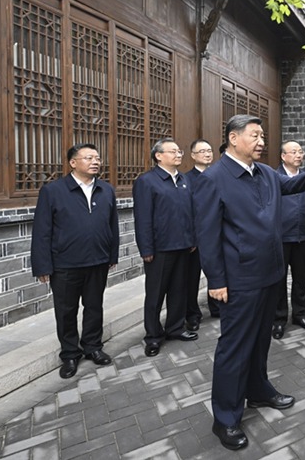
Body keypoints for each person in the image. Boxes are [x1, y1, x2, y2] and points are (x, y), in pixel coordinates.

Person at [194, 114, 305, 451]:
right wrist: (216, 280)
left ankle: (258, 392)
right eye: (255, 136)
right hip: (239, 278)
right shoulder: (214, 178)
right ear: (233, 138)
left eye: (263, 136)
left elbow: (290, 186)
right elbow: (208, 233)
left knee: (260, 341)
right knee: (234, 347)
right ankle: (226, 418)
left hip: (270, 273)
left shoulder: (264, 173)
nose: (262, 142)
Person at [30, 143, 119, 379]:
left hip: (97, 261)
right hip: (65, 264)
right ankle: (70, 354)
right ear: (72, 163)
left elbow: (113, 226)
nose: (95, 161)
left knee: (94, 306)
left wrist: (112, 254)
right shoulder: (54, 191)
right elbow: (42, 230)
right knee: (66, 311)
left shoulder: (106, 189)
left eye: (97, 158)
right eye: (88, 157)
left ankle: (93, 347)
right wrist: (42, 265)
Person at [133, 138, 198, 358]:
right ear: (158, 156)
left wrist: (191, 240)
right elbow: (142, 218)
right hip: (159, 248)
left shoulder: (184, 180)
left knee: (179, 290)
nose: (179, 154)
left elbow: (190, 213)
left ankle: (175, 328)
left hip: (183, 246)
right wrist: (146, 248)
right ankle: (153, 336)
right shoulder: (147, 181)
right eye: (173, 151)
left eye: (179, 151)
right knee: (156, 293)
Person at [272, 140, 305, 339]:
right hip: (281, 238)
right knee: (278, 280)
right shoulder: (274, 177)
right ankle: (279, 319)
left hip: (303, 236)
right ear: (283, 156)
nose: (299, 155)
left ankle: (300, 313)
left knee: (301, 278)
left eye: (300, 151)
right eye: (294, 152)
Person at [186, 138, 220, 324]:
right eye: (202, 151)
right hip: (196, 239)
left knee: (217, 273)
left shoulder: (217, 175)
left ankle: (216, 307)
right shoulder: (186, 179)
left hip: (216, 236)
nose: (207, 154)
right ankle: (192, 314)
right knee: (191, 279)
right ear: (192, 156)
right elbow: (187, 212)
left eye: (209, 150)